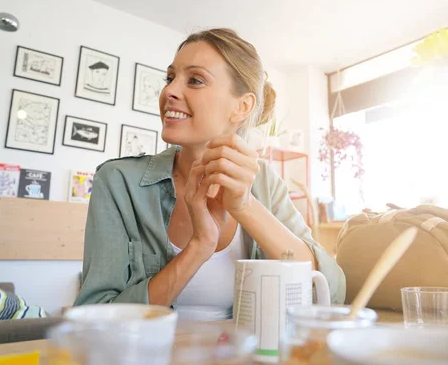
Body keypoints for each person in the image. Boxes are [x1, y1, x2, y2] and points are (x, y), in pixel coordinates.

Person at [74, 28, 346, 320]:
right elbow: (95, 316)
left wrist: (244, 207)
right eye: (170, 78)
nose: (169, 91)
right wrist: (199, 247)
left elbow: (330, 292)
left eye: (195, 80)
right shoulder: (118, 182)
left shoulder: (265, 183)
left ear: (242, 107)